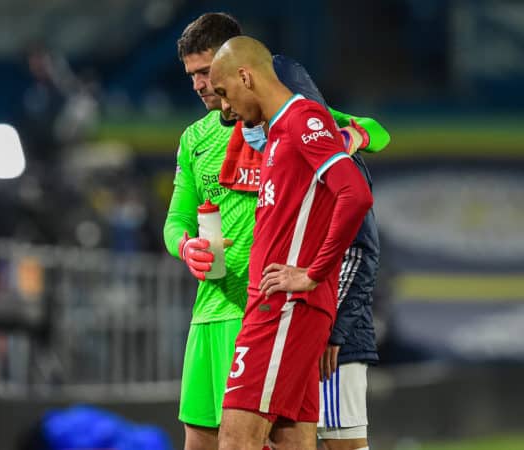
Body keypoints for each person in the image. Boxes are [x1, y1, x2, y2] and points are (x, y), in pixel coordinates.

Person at [163, 13, 388, 450]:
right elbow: (176, 221)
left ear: (239, 69)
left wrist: (351, 136)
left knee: (245, 440)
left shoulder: (295, 119)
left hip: (276, 307)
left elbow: (363, 173)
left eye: (210, 76)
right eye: (192, 77)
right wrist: (185, 247)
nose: (204, 90)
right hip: (219, 309)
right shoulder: (200, 138)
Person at [209, 35, 373, 450]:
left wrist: (313, 275)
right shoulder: (280, 131)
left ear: (246, 76)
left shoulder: (303, 119)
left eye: (225, 94)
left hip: (282, 308)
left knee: (235, 439)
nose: (225, 108)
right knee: (291, 440)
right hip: (283, 308)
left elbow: (355, 194)